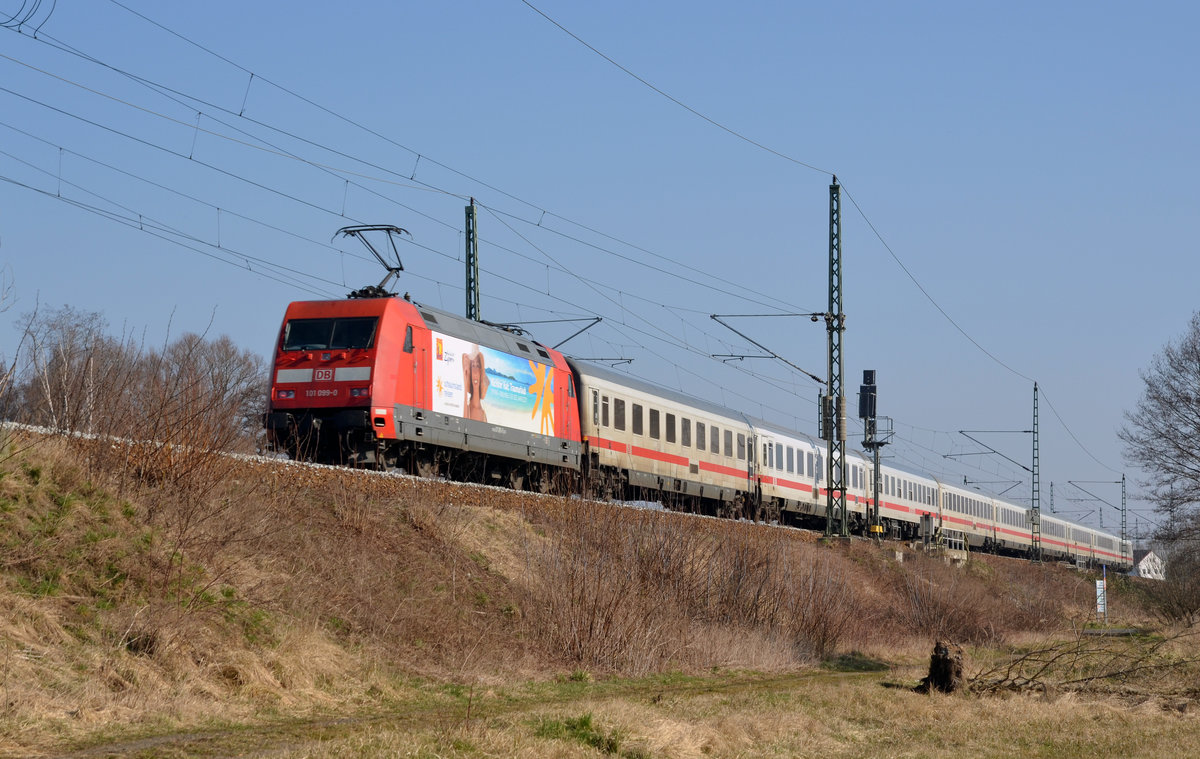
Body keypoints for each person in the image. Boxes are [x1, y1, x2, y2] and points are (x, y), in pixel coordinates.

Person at [461, 347, 489, 422]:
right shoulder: (467, 408)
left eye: (478, 366)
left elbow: (487, 382)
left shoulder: (483, 413)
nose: (475, 371)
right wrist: (465, 375)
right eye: (473, 366)